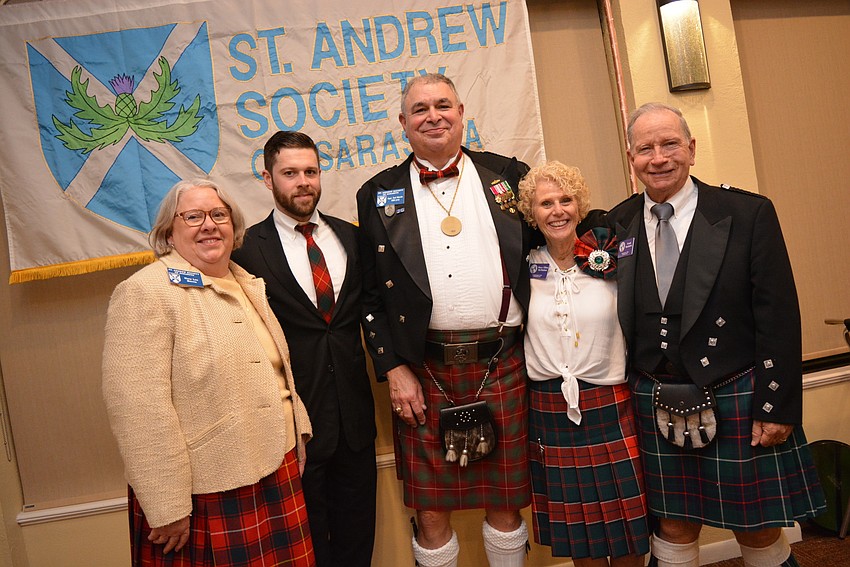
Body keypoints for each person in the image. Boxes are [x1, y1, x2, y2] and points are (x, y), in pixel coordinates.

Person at [607, 102, 825, 567]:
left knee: (758, 526)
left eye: (670, 144)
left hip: (736, 392)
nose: (659, 157)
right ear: (631, 159)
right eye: (645, 148)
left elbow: (778, 316)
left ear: (691, 148)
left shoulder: (746, 214)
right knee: (672, 524)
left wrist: (776, 406)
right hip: (652, 394)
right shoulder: (616, 223)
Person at [356, 73, 534, 567]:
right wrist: (394, 369)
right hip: (423, 369)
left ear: (461, 112)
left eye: (443, 106)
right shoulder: (377, 192)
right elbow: (371, 296)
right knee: (431, 511)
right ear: (402, 123)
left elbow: (554, 236)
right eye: (419, 109)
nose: (432, 116)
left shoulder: (510, 176)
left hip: (501, 361)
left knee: (505, 501)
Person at [102, 179, 315, 566]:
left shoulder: (245, 281)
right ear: (169, 232)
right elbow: (138, 412)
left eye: (219, 215)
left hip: (272, 466)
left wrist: (297, 431)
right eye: (193, 216)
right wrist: (166, 505)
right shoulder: (145, 292)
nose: (209, 225)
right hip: (206, 488)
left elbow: (277, 373)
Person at [232, 131, 377, 567]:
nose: (303, 182)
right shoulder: (245, 251)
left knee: (356, 543)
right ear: (267, 178)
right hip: (294, 429)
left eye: (310, 171)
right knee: (305, 551)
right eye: (289, 173)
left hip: (354, 423)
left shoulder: (352, 237)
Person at [517, 161, 649, 567]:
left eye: (565, 200)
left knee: (627, 530)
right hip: (549, 409)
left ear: (579, 205)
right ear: (530, 214)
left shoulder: (609, 257)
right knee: (581, 535)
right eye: (545, 203)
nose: (557, 211)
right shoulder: (521, 266)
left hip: (610, 402)